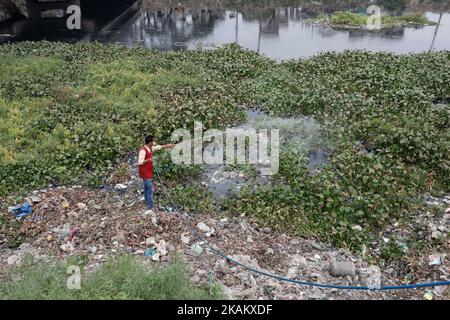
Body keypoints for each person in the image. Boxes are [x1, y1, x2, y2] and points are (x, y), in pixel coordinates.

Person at [137, 135, 174, 211]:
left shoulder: (150, 148)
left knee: (147, 188)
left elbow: (159, 147)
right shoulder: (143, 150)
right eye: (153, 141)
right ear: (149, 142)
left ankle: (147, 203)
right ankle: (149, 207)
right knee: (150, 188)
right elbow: (140, 162)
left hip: (148, 171)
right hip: (144, 172)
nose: (154, 143)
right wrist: (148, 160)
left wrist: (168, 145)